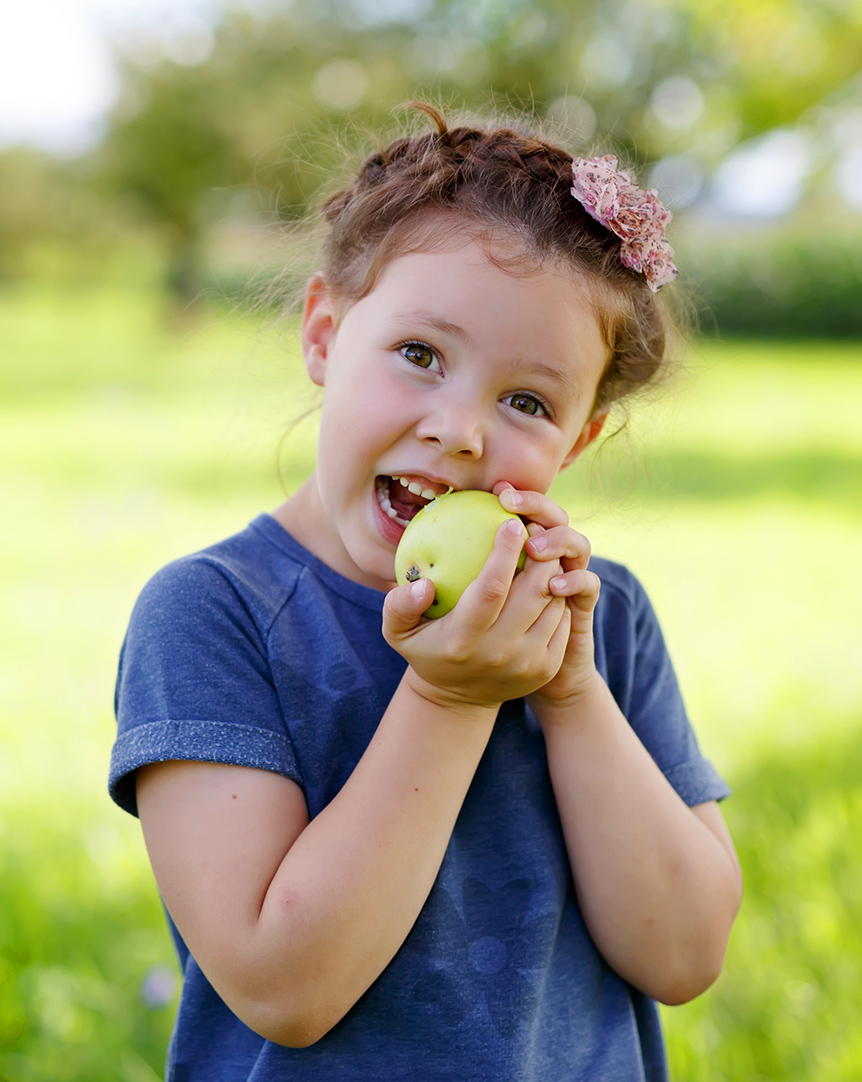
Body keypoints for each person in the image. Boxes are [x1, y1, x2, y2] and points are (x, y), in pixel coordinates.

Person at [109, 103, 742, 1082]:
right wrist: (452, 696)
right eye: (420, 355)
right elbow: (284, 988)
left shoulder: (597, 617)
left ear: (576, 440)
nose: (459, 431)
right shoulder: (213, 614)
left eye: (526, 400)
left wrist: (570, 693)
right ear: (325, 332)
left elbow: (683, 951)